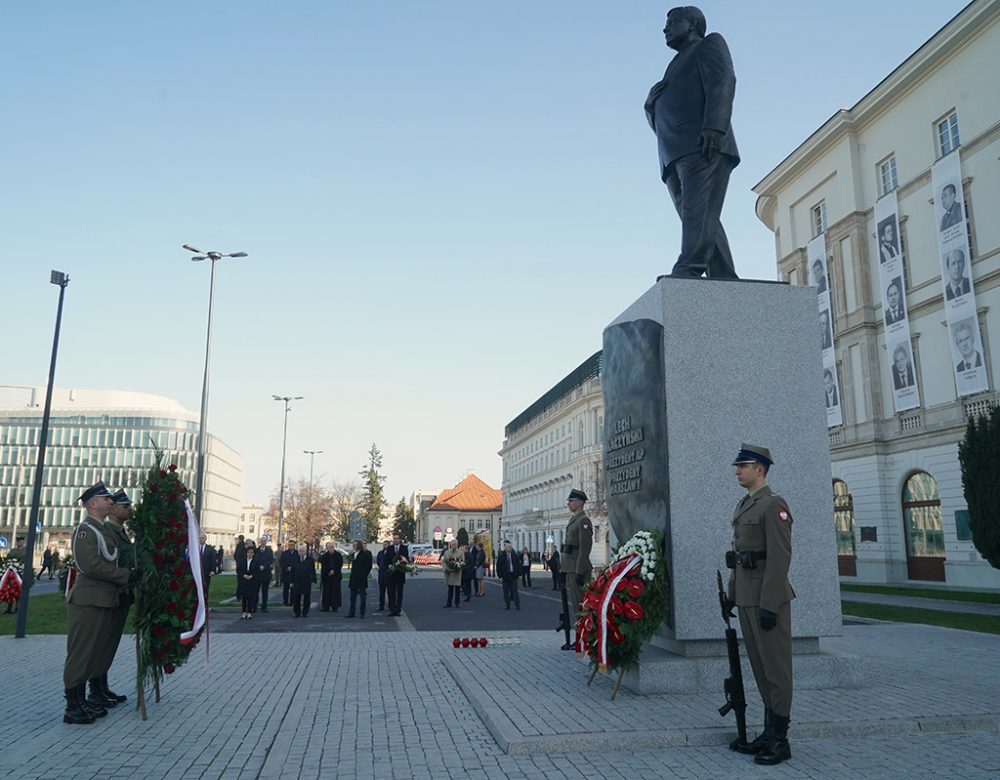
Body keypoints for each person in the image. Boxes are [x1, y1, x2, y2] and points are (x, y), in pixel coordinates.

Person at [645, 5, 739, 280]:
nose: (665, 28)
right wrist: (650, 105)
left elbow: (723, 81)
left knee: (698, 211)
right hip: (673, 152)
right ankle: (723, 275)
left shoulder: (709, 44)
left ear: (693, 23)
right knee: (698, 215)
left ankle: (689, 267)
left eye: (672, 22)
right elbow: (662, 121)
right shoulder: (674, 65)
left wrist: (714, 126)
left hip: (702, 143)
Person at [725, 444, 794, 766]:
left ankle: (780, 740)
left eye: (744, 465)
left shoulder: (773, 505)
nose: (738, 470)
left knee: (776, 670)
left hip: (767, 600)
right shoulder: (745, 505)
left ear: (761, 469)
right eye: (738, 466)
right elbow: (739, 557)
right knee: (760, 669)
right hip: (747, 598)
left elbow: (779, 560)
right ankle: (768, 733)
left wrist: (770, 604)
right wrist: (732, 595)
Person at [63, 482, 138, 725]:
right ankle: (73, 706)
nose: (110, 502)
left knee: (95, 653)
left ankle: (85, 700)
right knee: (81, 653)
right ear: (93, 503)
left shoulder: (102, 530)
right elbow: (90, 565)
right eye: (105, 499)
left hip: (103, 599)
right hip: (88, 600)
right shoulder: (85, 531)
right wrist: (126, 575)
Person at [97, 489, 135, 708]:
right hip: (110, 594)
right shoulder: (107, 532)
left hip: (121, 595)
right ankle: (96, 690)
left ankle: (102, 687)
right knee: (101, 644)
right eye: (125, 506)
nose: (128, 510)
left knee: (109, 644)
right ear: (112, 509)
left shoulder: (120, 532)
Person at [561, 489, 593, 632]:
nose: (568, 503)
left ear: (579, 503)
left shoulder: (583, 521)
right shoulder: (574, 519)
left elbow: (584, 549)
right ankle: (581, 636)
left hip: (577, 568)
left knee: (581, 605)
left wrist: (580, 571)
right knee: (576, 605)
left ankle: (585, 636)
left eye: (571, 501)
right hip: (570, 567)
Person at [347, 540, 373, 618]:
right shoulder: (353, 553)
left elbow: (369, 565)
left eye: (355, 545)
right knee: (352, 597)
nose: (354, 546)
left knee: (362, 596)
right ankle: (352, 612)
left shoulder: (365, 554)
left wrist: (365, 574)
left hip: (362, 577)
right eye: (353, 545)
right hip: (354, 577)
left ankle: (362, 613)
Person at [386, 534, 409, 616]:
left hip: (400, 574)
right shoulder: (389, 548)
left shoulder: (404, 548)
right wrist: (390, 566)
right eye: (394, 539)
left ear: (400, 540)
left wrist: (399, 564)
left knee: (399, 593)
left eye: (396, 539)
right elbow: (386, 560)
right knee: (391, 593)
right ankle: (392, 610)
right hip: (391, 574)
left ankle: (398, 609)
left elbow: (406, 559)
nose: (395, 540)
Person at [236, 539, 260, 619]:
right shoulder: (242, 561)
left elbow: (257, 571)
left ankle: (249, 612)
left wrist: (252, 576)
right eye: (248, 552)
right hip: (244, 580)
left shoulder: (256, 562)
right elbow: (239, 570)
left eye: (251, 553)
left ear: (253, 554)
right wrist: (244, 575)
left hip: (252, 581)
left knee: (250, 597)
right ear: (246, 553)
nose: (250, 554)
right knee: (244, 597)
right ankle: (243, 612)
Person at [290, 544, 316, 617]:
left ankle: (305, 613)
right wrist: (291, 582)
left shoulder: (310, 560)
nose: (301, 553)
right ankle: (297, 613)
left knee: (307, 598)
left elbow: (313, 571)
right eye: (300, 551)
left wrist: (313, 580)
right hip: (297, 581)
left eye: (302, 551)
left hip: (306, 581)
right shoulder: (295, 559)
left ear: (306, 551)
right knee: (296, 598)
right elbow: (292, 571)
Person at [318, 542, 344, 612]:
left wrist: (334, 571)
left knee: (335, 592)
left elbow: (340, 564)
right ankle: (325, 606)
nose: (331, 548)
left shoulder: (338, 555)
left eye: (332, 547)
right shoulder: (324, 556)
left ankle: (334, 606)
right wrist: (328, 571)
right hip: (326, 577)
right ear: (327, 548)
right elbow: (321, 561)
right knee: (326, 592)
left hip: (336, 576)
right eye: (329, 547)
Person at [497, 540, 521, 610]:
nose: (509, 548)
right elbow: (498, 567)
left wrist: (519, 574)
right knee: (505, 592)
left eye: (510, 547)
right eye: (508, 547)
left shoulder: (514, 556)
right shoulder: (501, 556)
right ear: (505, 548)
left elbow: (518, 565)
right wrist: (500, 576)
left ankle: (517, 605)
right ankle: (507, 604)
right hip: (505, 576)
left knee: (515, 591)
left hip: (513, 575)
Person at [442, 539, 464, 608]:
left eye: (455, 544)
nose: (453, 545)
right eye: (452, 544)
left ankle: (457, 603)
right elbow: (444, 562)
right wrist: (446, 569)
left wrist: (458, 567)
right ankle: (449, 603)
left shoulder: (460, 553)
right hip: (449, 573)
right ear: (450, 545)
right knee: (450, 589)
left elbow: (463, 562)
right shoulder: (447, 552)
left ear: (457, 545)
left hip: (457, 573)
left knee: (457, 589)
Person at [255, 537, 274, 612]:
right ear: (259, 542)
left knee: (265, 591)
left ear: (266, 542)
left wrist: (264, 566)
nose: (263, 542)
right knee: (255, 591)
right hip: (258, 573)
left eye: (264, 541)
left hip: (266, 573)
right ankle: (254, 606)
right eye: (261, 541)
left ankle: (264, 606)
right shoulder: (256, 551)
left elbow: (270, 560)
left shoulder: (269, 551)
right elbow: (255, 560)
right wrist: (259, 566)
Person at [375, 540, 392, 612]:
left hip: (389, 574)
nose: (384, 546)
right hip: (382, 574)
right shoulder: (380, 553)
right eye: (383, 545)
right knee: (382, 591)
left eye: (386, 545)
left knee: (390, 591)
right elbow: (378, 562)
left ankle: (391, 605)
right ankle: (381, 605)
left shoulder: (391, 553)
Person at [198, 533, 216, 599]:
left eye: (202, 538)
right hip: (197, 572)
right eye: (199, 538)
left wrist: (212, 570)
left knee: (205, 588)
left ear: (205, 539)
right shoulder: (195, 548)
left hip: (206, 572)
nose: (201, 539)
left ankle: (205, 604)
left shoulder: (210, 549)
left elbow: (213, 560)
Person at [279, 541, 296, 606]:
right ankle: (285, 601)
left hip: (294, 574)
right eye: (290, 545)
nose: (291, 546)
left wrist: (292, 568)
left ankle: (293, 601)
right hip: (286, 573)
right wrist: (287, 567)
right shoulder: (284, 553)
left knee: (293, 589)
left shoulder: (297, 553)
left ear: (294, 546)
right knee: (285, 589)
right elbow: (281, 562)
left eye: (292, 545)